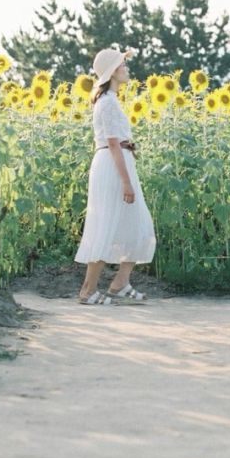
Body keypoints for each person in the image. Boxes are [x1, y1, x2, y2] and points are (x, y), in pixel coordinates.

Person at [75, 47, 156, 304]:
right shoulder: (107, 103)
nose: (127, 68)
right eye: (123, 64)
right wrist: (126, 182)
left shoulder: (111, 100)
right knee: (105, 225)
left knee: (138, 225)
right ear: (113, 72)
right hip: (112, 167)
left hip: (118, 164)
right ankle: (87, 291)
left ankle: (120, 283)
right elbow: (112, 144)